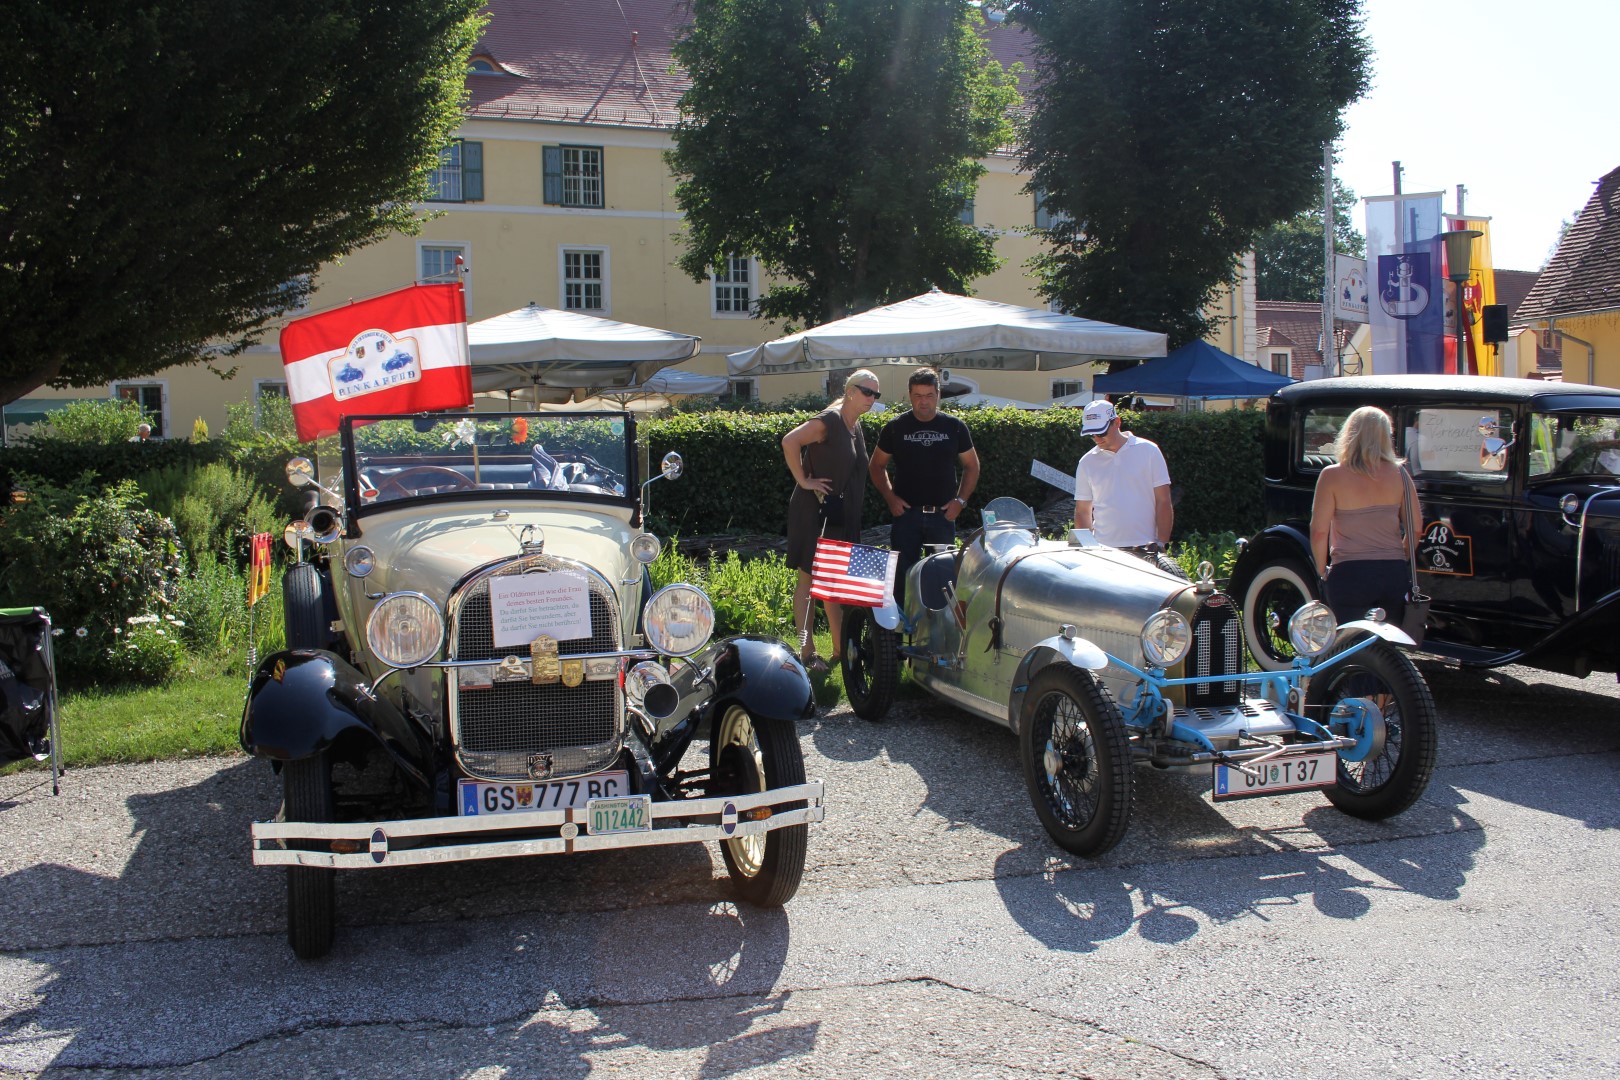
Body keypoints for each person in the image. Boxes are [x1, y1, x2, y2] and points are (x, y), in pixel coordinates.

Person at [782, 368, 882, 673]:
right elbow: (790, 441)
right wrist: (804, 480)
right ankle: (806, 650)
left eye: (876, 395)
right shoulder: (829, 420)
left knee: (834, 584)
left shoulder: (855, 426)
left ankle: (840, 650)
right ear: (850, 390)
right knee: (808, 581)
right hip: (816, 513)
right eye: (867, 392)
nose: (872, 399)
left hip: (841, 515)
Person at [869, 367, 980, 608]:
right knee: (902, 578)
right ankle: (900, 635)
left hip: (942, 516)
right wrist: (890, 498)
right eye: (918, 396)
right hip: (906, 517)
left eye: (929, 395)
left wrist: (960, 501)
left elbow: (972, 466)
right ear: (909, 395)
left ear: (938, 395)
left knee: (942, 579)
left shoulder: (955, 427)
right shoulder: (896, 427)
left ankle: (939, 636)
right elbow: (876, 466)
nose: (924, 402)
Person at [1310, 405, 1414, 623]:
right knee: (1387, 646)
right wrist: (1399, 555)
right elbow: (1416, 528)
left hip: (1350, 573)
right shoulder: (1400, 474)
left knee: (1347, 643)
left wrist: (1322, 571)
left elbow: (1319, 531)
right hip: (1392, 573)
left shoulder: (1332, 476)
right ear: (1387, 436)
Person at [1072, 399, 1180, 575]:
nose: (1097, 438)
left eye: (1101, 432)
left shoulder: (1149, 451)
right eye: (1092, 434)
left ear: (1117, 422)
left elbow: (1163, 500)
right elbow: (1083, 510)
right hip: (1104, 552)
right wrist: (1087, 549)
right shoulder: (1087, 462)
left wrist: (1161, 543)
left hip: (1146, 548)